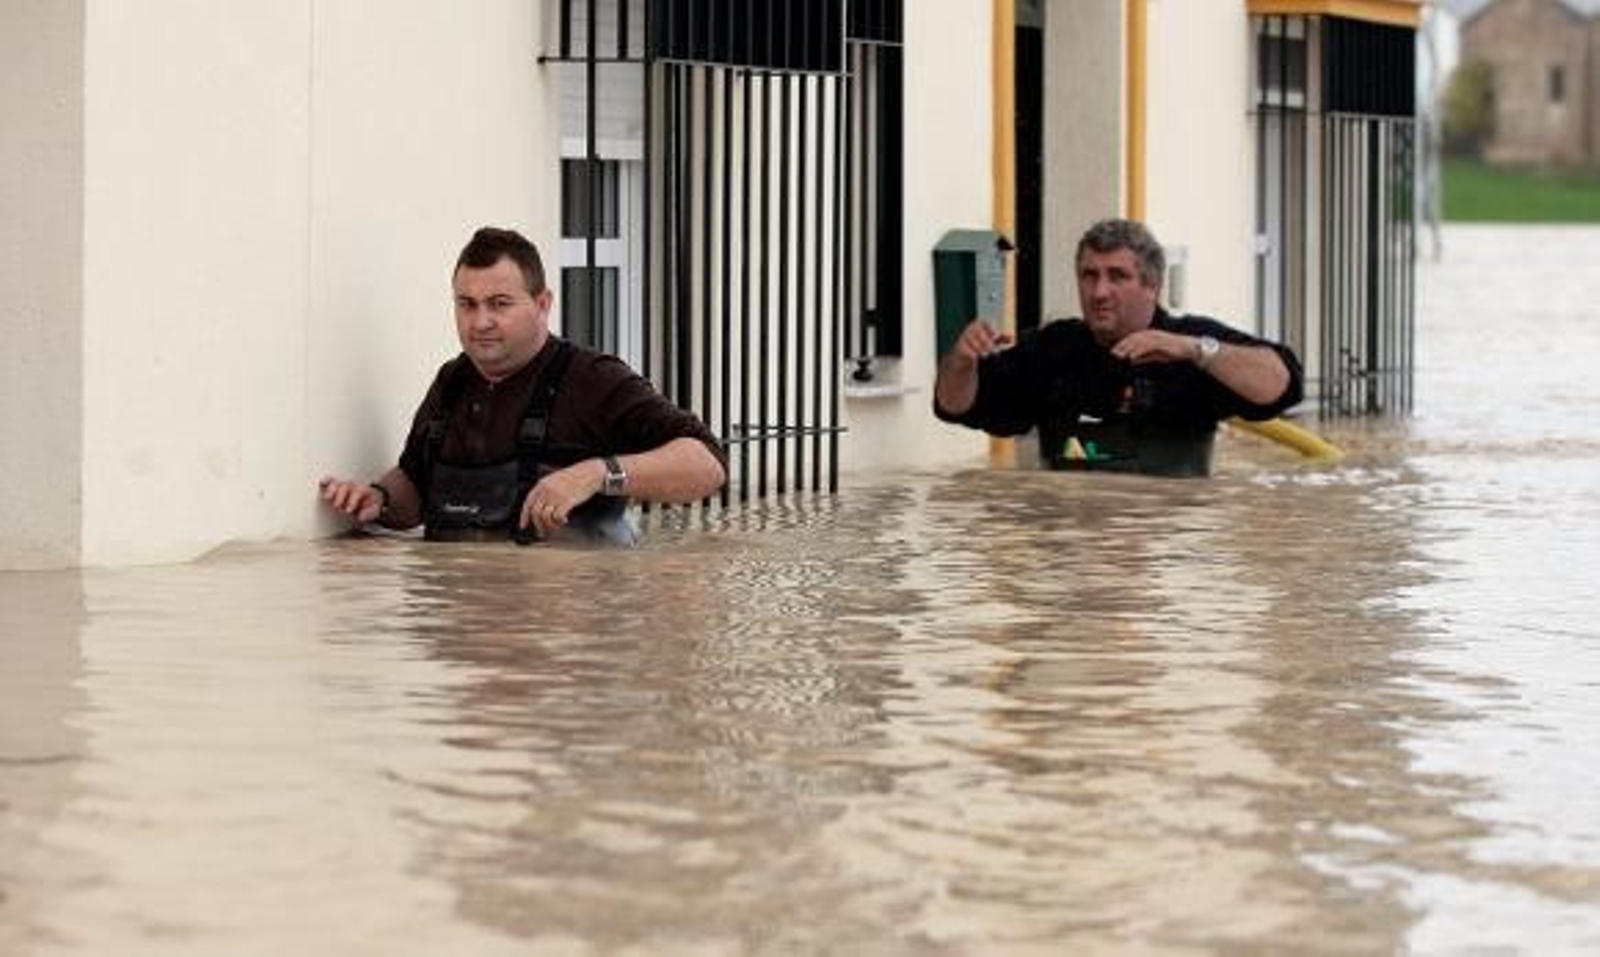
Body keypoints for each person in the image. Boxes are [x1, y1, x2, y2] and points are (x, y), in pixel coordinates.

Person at [319, 226, 726, 543]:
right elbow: (414, 488)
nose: (480, 322)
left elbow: (707, 464)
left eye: (499, 304)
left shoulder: (593, 379)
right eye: (467, 304)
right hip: (460, 627)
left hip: (567, 629)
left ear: (543, 304)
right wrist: (378, 499)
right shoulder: (451, 381)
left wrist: (595, 474)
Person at [933, 218, 1304, 477]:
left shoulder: (1190, 345)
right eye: (1089, 276)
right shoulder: (1054, 348)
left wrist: (1197, 351)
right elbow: (955, 408)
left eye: (1117, 276)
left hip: (1166, 551)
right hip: (1069, 544)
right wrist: (962, 361)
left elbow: (1283, 385)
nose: (1099, 292)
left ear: (1152, 285)